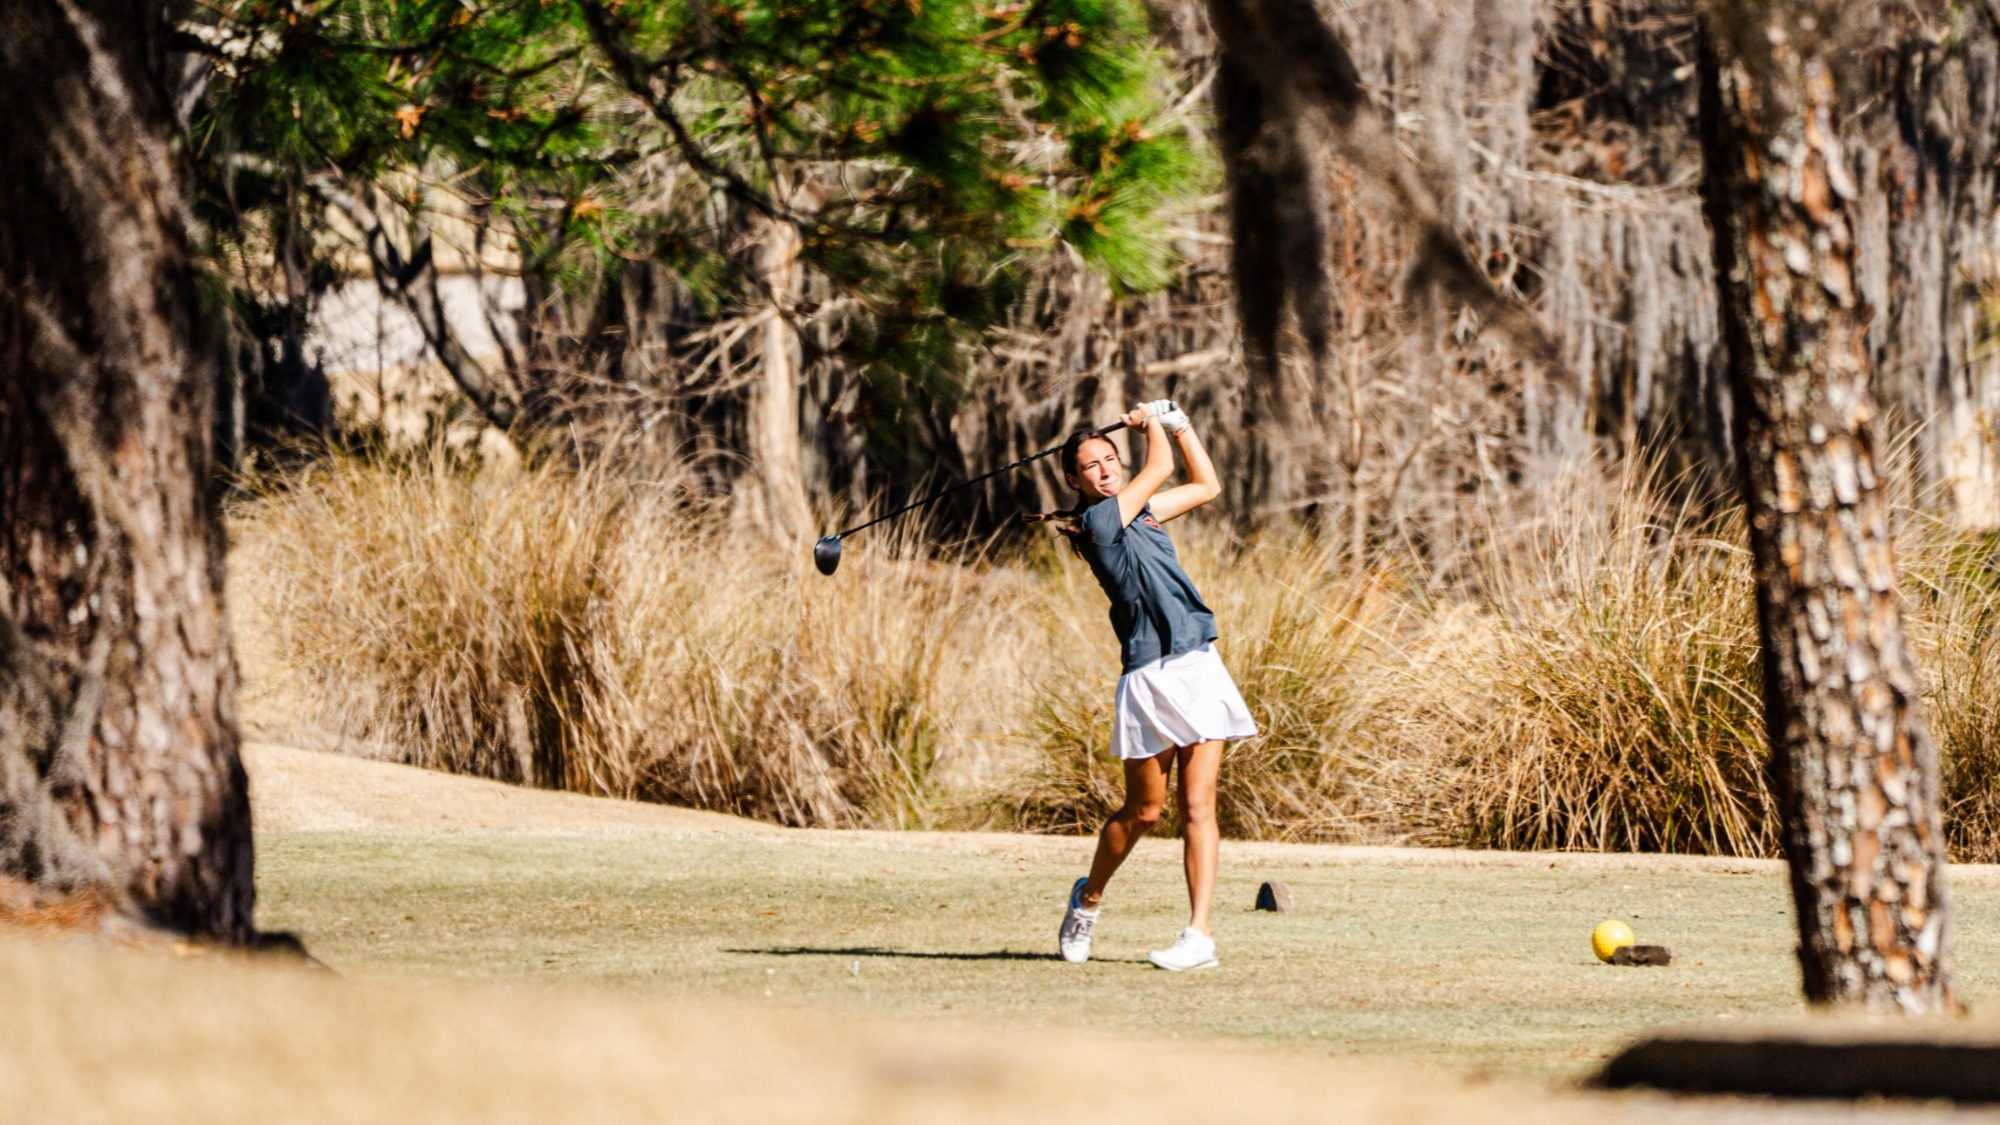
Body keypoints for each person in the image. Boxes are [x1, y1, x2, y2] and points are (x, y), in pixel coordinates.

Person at [1042, 400, 1257, 970]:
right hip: (1147, 674)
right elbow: (1158, 467)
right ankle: (1088, 899)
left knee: (1198, 806)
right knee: (1143, 811)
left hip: (1198, 663)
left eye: (1110, 459)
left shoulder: (1144, 513)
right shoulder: (1099, 523)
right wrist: (1151, 425)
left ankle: (1199, 936)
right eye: (1091, 466)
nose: (1105, 470)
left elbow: (1206, 485)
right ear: (1074, 481)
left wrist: (1181, 424)